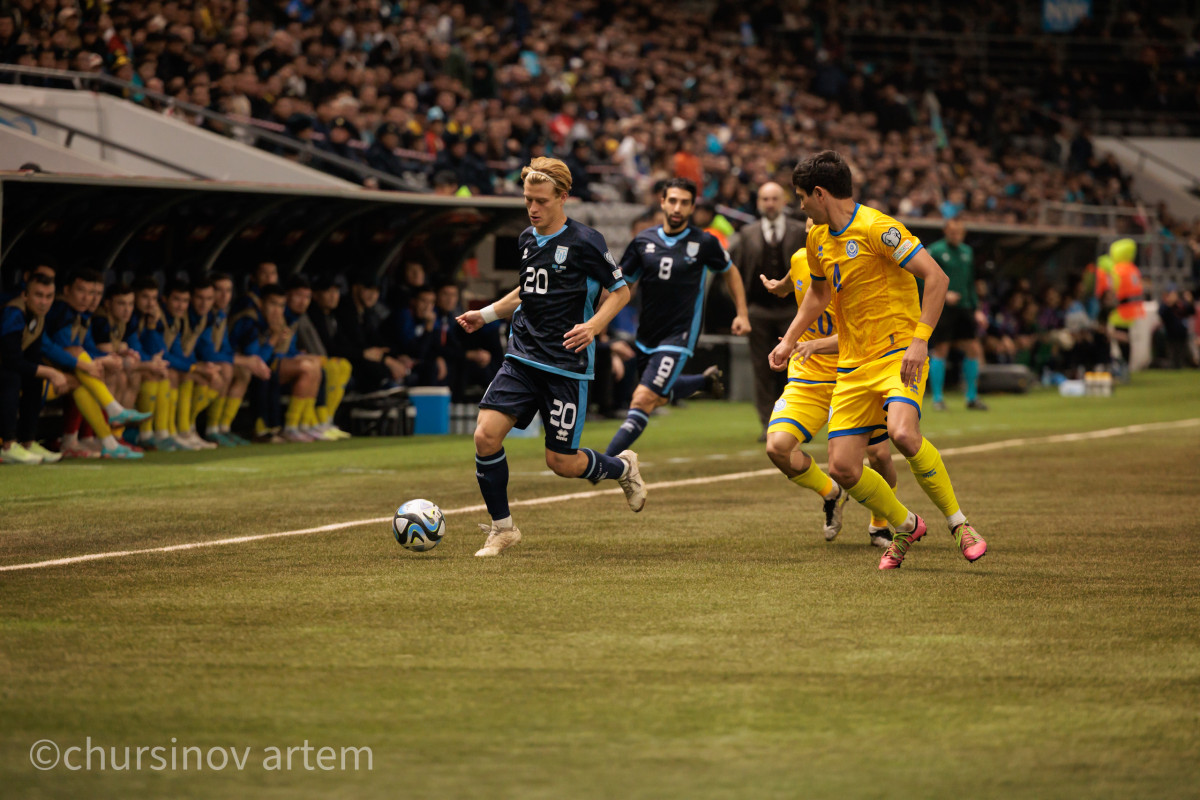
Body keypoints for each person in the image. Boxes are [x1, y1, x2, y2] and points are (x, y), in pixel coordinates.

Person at [771, 151, 987, 570]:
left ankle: (960, 524)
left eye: (801, 197)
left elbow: (936, 277)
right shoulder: (817, 238)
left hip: (896, 355)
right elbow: (817, 295)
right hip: (852, 365)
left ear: (819, 193)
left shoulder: (878, 228)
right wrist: (790, 340)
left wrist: (920, 341)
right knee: (843, 468)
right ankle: (905, 524)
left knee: (903, 435)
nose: (800, 207)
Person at [456, 157, 644, 558]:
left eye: (541, 200)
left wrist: (594, 326)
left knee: (561, 462)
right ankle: (502, 528)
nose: (533, 208)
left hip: (566, 365)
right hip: (522, 357)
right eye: (528, 200)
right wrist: (486, 314)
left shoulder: (586, 241)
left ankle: (623, 468)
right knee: (485, 435)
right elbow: (527, 290)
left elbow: (622, 292)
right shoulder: (526, 239)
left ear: (563, 197)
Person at [760, 216, 896, 548]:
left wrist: (807, 344)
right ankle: (831, 492)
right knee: (777, 448)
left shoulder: (859, 265)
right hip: (808, 376)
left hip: (853, 375)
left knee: (878, 454)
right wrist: (780, 286)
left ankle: (880, 523)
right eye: (807, 224)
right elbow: (798, 277)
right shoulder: (800, 257)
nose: (812, 229)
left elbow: (860, 334)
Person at [604, 177, 750, 458]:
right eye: (672, 200)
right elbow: (624, 289)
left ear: (692, 206)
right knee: (658, 395)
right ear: (662, 202)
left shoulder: (704, 242)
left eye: (684, 202)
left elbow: (729, 270)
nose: (677, 207)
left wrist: (741, 313)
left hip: (680, 335)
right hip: (646, 335)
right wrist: (597, 318)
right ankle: (703, 382)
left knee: (643, 397)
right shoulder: (642, 242)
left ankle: (604, 463)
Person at [42, 269, 149, 459]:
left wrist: (108, 357)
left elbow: (87, 348)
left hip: (59, 375)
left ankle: (105, 440)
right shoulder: (60, 310)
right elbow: (61, 348)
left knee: (90, 375)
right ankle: (107, 420)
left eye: (94, 293)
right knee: (88, 369)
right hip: (36, 378)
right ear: (66, 290)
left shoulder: (80, 315)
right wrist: (93, 362)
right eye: (82, 291)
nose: (89, 299)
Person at [731, 181, 809, 440]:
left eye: (774, 198)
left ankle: (795, 421)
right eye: (765, 199)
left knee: (796, 367)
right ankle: (768, 424)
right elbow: (734, 275)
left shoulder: (800, 230)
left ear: (783, 201)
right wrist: (742, 309)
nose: (770, 203)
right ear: (758, 203)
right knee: (761, 370)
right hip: (759, 311)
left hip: (794, 312)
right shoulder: (746, 234)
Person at [0, 274, 69, 464]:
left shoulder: (38, 317)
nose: (44, 302)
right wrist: (51, 372)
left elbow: (32, 358)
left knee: (34, 378)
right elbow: (10, 360)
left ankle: (28, 442)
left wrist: (48, 372)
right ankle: (7, 444)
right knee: (11, 376)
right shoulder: (13, 313)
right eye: (39, 295)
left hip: (8, 366)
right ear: (25, 295)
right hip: (5, 368)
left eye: (49, 296)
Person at [926, 219, 988, 410]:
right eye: (952, 232)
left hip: (965, 307)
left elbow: (970, 283)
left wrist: (976, 309)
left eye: (959, 232)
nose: (956, 236)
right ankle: (937, 398)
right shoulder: (934, 251)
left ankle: (971, 397)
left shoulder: (967, 252)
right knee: (941, 349)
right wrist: (944, 294)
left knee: (973, 348)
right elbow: (922, 277)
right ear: (946, 231)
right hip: (943, 307)